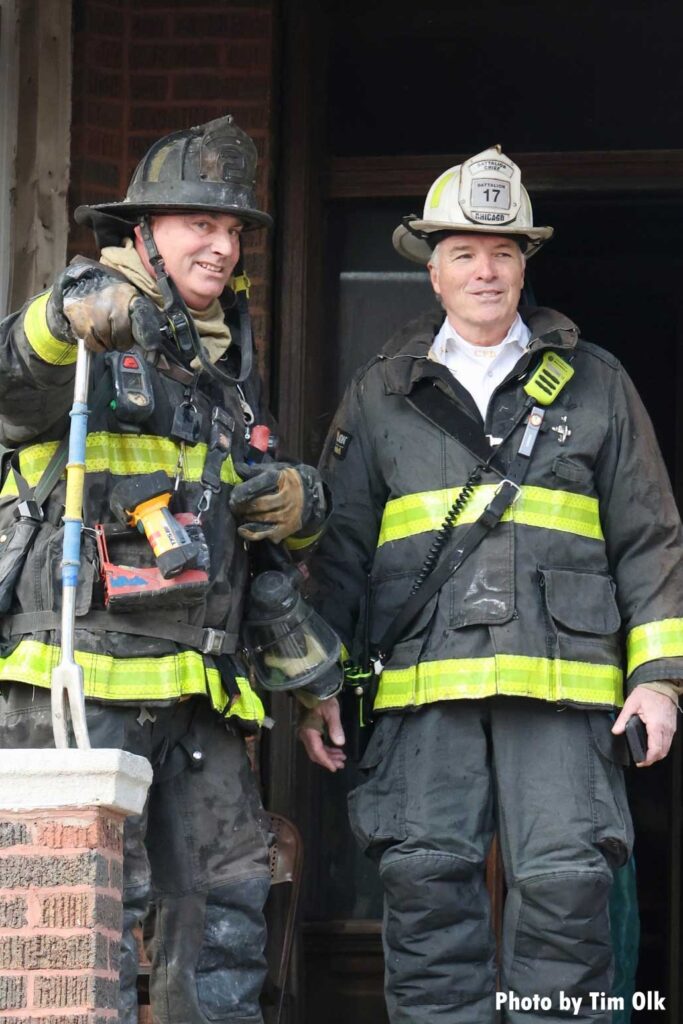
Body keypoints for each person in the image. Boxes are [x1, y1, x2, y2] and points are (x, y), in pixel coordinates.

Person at [300, 145, 683, 1023]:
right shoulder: (379, 394)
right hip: (422, 697)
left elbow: (650, 539)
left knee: (566, 897)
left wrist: (658, 681)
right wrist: (316, 684)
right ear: (431, 272)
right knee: (427, 903)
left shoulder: (598, 384)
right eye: (464, 252)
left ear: (524, 266)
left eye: (503, 252)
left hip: (563, 696)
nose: (485, 269)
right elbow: (340, 549)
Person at [0, 115, 327, 1024]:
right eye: (199, 225)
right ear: (141, 232)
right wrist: (64, 316)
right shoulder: (94, 319)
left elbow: (239, 520)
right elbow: (9, 380)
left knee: (224, 920)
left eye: (232, 231)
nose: (221, 246)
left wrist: (300, 502)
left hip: (198, 692)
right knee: (69, 937)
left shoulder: (221, 361)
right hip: (77, 682)